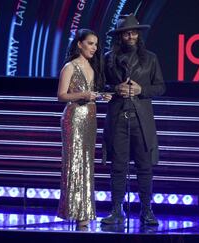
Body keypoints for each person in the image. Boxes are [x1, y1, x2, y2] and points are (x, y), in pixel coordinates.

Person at [101, 14, 166, 226]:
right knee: (118, 166)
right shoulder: (108, 57)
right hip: (118, 117)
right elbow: (100, 86)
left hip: (141, 120)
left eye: (134, 32)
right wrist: (114, 88)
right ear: (120, 36)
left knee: (144, 166)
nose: (131, 36)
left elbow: (161, 87)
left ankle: (147, 211)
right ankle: (116, 210)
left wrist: (141, 89)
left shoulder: (151, 58)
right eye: (127, 33)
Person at [57, 28, 111, 229]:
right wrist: (83, 95)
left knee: (87, 164)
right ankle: (74, 212)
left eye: (96, 45)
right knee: (75, 163)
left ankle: (84, 213)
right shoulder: (70, 67)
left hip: (90, 117)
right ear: (79, 44)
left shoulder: (93, 67)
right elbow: (61, 95)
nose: (94, 48)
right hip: (74, 118)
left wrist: (100, 96)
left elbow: (90, 93)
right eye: (90, 43)